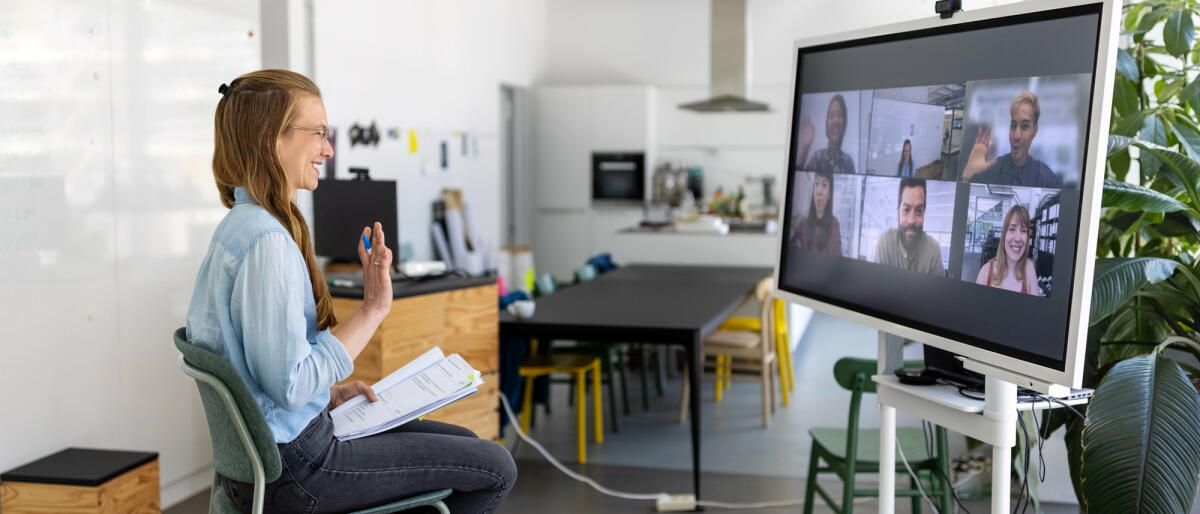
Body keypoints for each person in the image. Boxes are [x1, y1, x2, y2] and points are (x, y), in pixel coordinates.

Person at [185, 70, 516, 513]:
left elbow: (267, 376)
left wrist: (327, 394)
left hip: (279, 452)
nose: (329, 149)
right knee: (495, 466)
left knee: (462, 443)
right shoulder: (266, 243)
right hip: (298, 468)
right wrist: (375, 308)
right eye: (318, 133)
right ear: (271, 139)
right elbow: (290, 384)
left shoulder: (240, 228)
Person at [962, 91, 1063, 187]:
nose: (1016, 136)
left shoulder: (1044, 177)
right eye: (1013, 126)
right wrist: (967, 177)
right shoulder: (994, 168)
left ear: (1035, 131)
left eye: (1025, 126)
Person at [874, 178, 945, 276]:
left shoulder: (933, 250)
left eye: (919, 211)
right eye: (906, 209)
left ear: (924, 213)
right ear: (898, 213)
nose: (912, 220)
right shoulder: (885, 242)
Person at [975, 204, 1043, 296]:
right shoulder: (986, 272)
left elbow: (1037, 309)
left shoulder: (1029, 268)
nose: (1018, 238)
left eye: (1023, 231)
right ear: (1004, 235)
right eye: (1012, 229)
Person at [796, 94, 856, 173]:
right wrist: (805, 148)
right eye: (831, 116)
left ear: (845, 123)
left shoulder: (848, 162)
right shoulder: (817, 157)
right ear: (826, 125)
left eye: (840, 115)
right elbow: (799, 180)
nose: (835, 120)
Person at [790, 171, 842, 255]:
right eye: (816, 184)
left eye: (824, 185)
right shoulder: (802, 225)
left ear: (829, 193)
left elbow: (835, 259)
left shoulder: (834, 225)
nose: (819, 191)